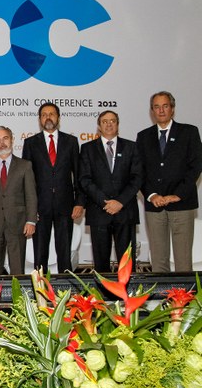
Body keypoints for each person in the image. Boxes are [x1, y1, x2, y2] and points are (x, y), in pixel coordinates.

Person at [136, 91, 202, 273]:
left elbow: (195, 167)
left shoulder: (189, 132)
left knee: (183, 261)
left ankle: (184, 301)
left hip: (182, 204)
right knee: (158, 260)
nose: (161, 110)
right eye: (157, 107)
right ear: (152, 111)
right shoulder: (143, 136)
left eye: (165, 106)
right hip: (154, 205)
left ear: (172, 109)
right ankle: (160, 300)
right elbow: (139, 171)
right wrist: (151, 195)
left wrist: (177, 194)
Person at [21, 102, 85, 273]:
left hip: (66, 206)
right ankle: (40, 293)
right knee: (40, 254)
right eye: (44, 114)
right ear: (40, 119)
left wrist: (79, 202)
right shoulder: (30, 143)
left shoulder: (71, 141)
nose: (48, 117)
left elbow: (78, 174)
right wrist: (30, 209)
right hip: (40, 207)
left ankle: (65, 291)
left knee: (64, 253)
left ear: (58, 117)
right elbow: (26, 180)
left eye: (52, 114)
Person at [79, 110, 143, 272]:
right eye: (105, 121)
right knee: (101, 263)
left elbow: (137, 178)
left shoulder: (131, 147)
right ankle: (103, 296)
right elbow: (84, 179)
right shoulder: (87, 149)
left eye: (112, 121)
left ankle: (128, 295)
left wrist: (120, 201)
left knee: (127, 262)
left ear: (118, 124)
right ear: (99, 126)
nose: (109, 124)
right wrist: (104, 202)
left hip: (125, 210)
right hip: (99, 211)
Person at [0, 126, 37, 275]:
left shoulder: (25, 165)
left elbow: (31, 195)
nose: (1, 143)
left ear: (11, 140)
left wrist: (31, 220)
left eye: (5, 138)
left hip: (18, 224)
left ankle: (18, 299)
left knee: (17, 269)